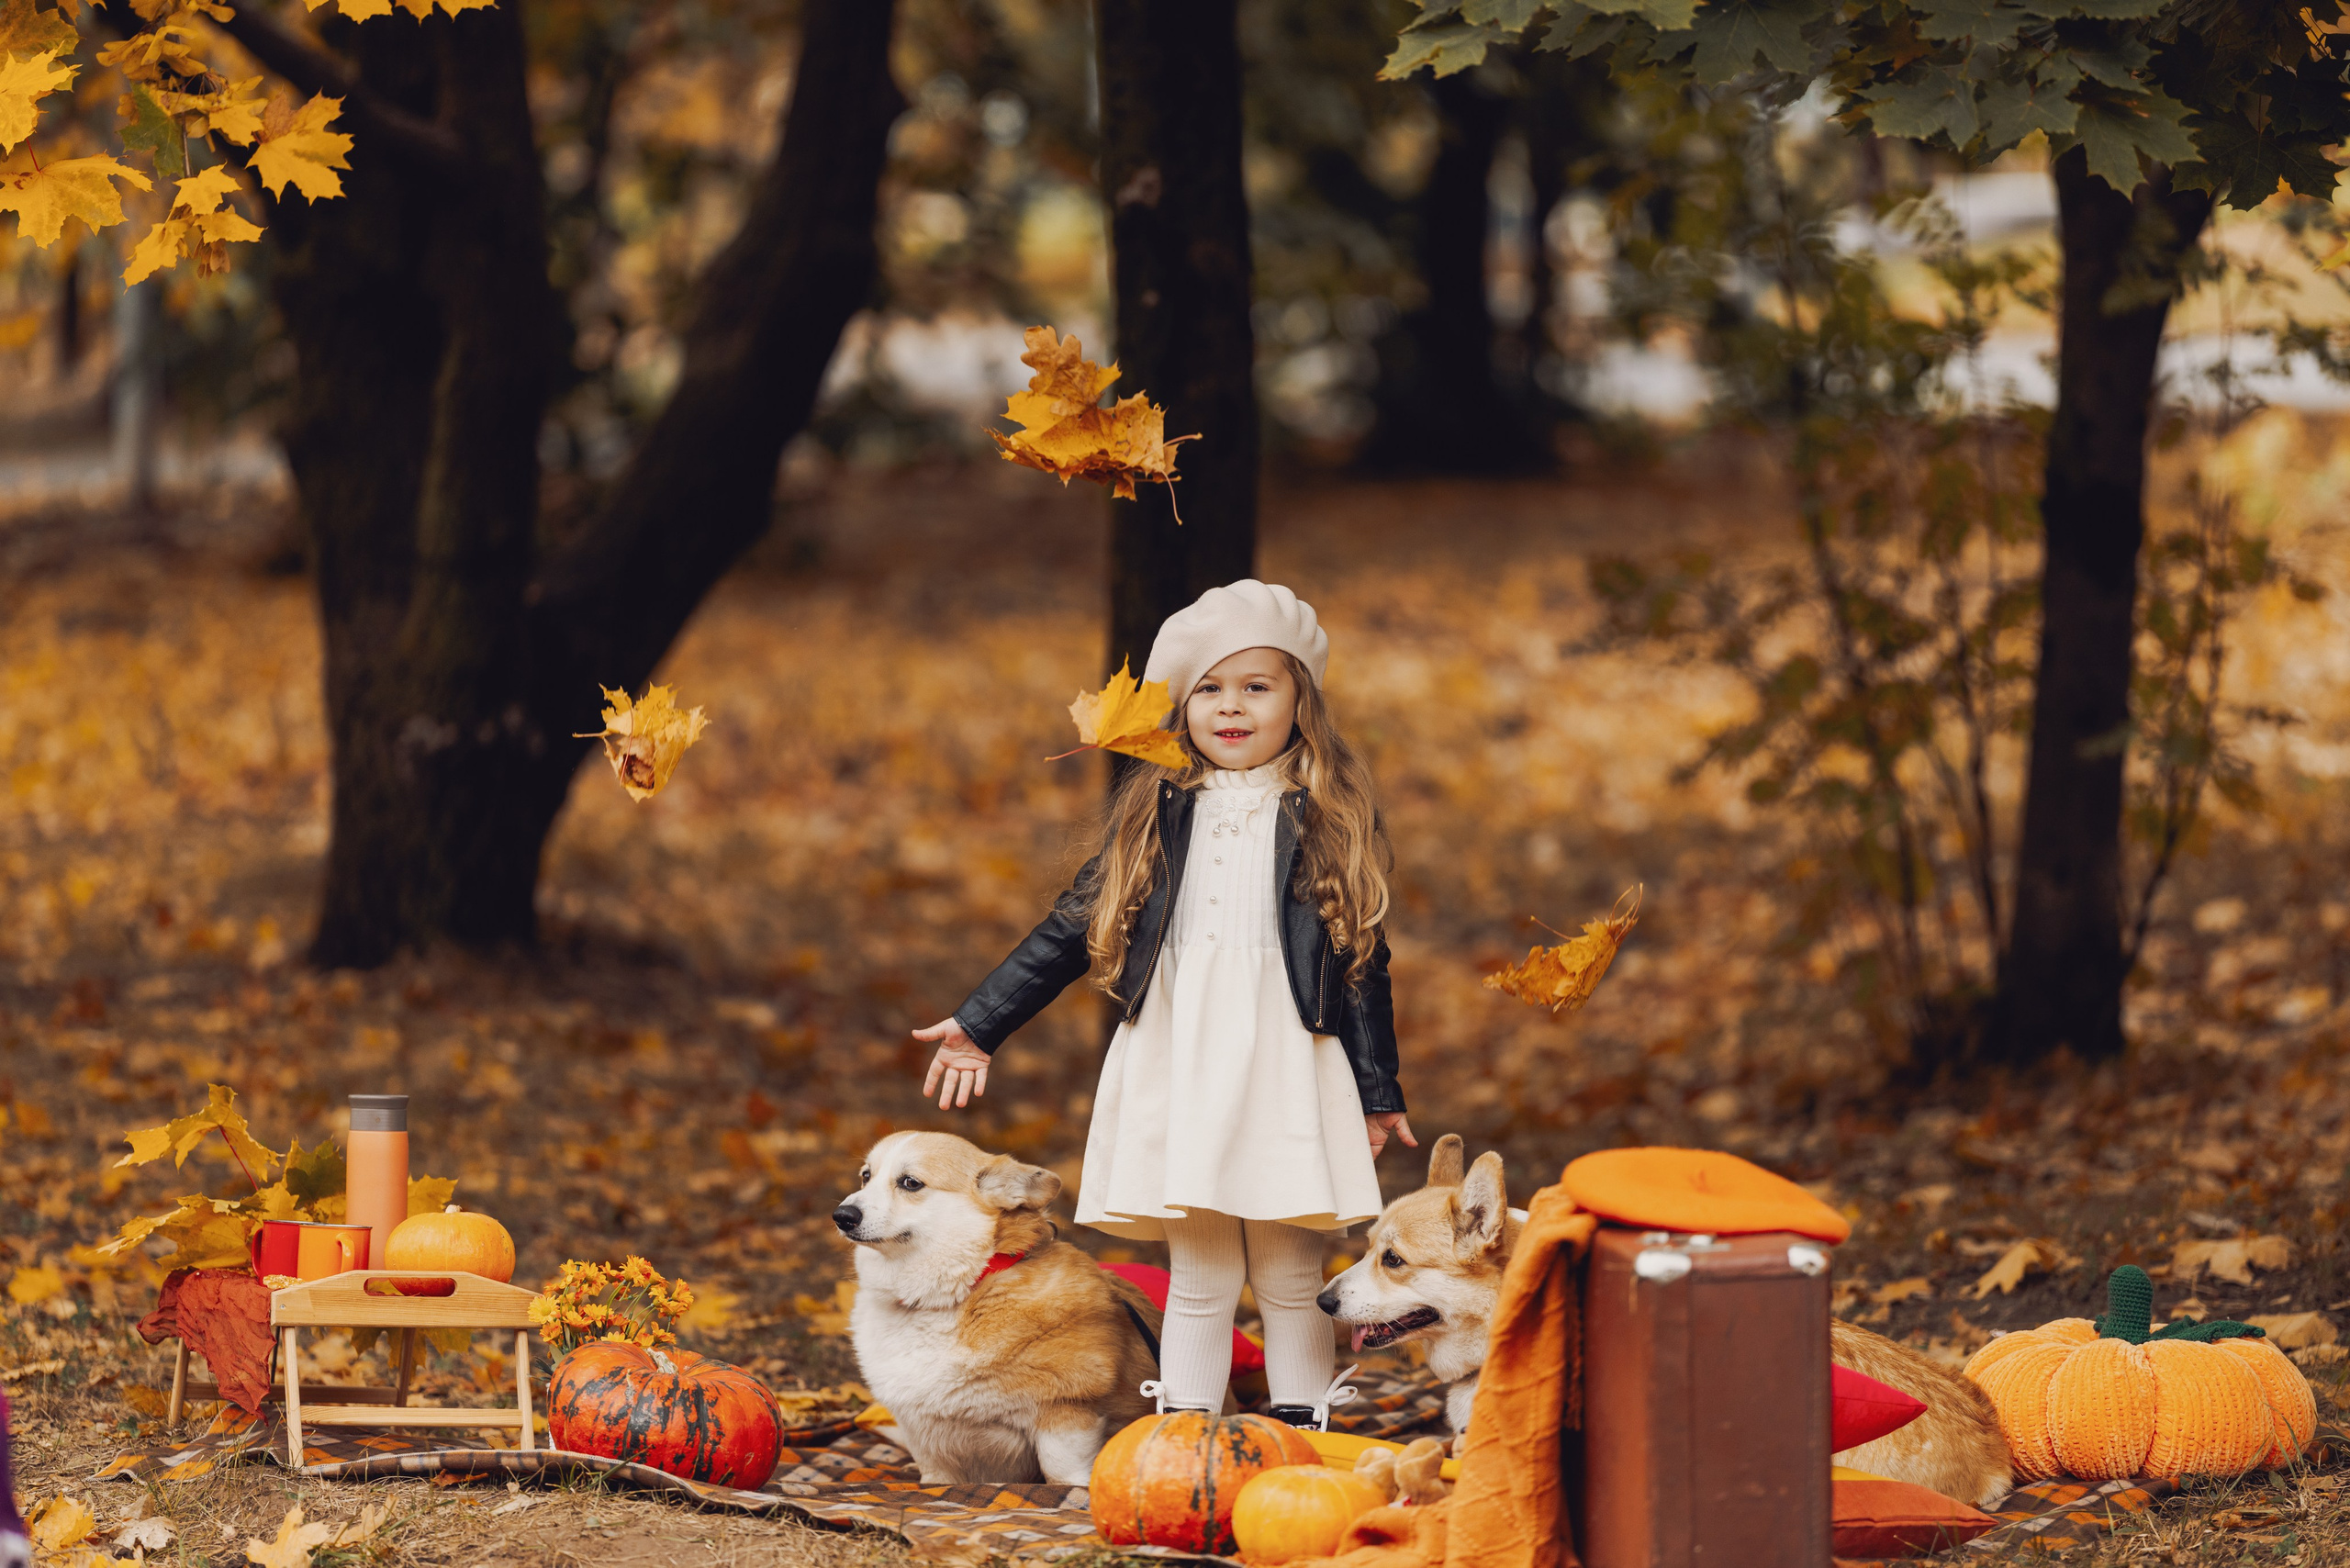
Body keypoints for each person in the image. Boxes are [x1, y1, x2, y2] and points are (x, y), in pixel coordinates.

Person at [912, 579, 1415, 1428]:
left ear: (1301, 701)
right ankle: (1183, 1442)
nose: (1232, 707)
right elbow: (1072, 927)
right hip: (1183, 1063)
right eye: (1209, 690)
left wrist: (1377, 1088)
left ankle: (1300, 1439)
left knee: (1293, 1274)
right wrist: (980, 1022)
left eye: (1258, 686)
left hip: (1291, 1064)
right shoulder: (1156, 816)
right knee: (1203, 1276)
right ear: (1183, 710)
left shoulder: (1328, 819)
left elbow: (1362, 961)